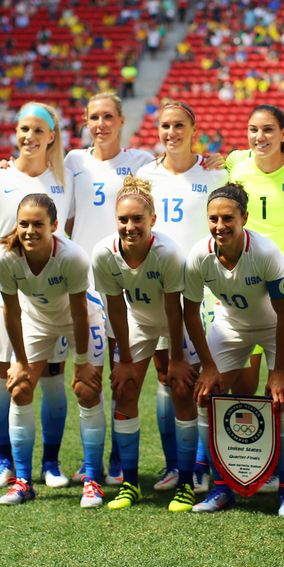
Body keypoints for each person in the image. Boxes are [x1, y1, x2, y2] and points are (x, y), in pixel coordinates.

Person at [182, 183, 284, 517]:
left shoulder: (265, 253)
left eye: (227, 218)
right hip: (230, 325)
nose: (219, 225)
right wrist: (207, 366)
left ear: (244, 218)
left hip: (276, 327)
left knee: (283, 400)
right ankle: (222, 489)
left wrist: (279, 372)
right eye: (213, 219)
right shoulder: (199, 255)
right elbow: (189, 312)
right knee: (206, 397)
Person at [0, 102, 76, 494]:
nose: (28, 136)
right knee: (1, 374)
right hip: (2, 293)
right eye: (22, 128)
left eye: (37, 129)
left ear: (52, 135)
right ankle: (5, 460)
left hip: (54, 297)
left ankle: (50, 461)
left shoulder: (69, 177)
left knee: (52, 376)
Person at [135, 99, 229, 493]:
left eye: (178, 125)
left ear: (194, 130)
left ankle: (205, 465)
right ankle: (175, 465)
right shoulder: (143, 176)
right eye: (164, 126)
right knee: (165, 377)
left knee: (203, 380)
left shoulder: (214, 172)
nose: (170, 133)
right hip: (158, 290)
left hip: (202, 291)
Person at [92, 175, 200, 512]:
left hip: (176, 322)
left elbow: (174, 308)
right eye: (123, 219)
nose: (129, 226)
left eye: (137, 219)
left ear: (153, 219)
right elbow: (115, 308)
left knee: (182, 389)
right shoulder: (104, 253)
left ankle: (186, 483)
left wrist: (178, 359)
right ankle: (130, 483)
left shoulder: (167, 253)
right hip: (137, 321)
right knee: (124, 390)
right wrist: (124, 358)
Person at [64, 92, 154, 486]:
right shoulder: (72, 161)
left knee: (124, 377)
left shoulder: (141, 162)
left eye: (107, 117)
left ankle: (119, 458)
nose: (100, 124)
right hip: (86, 288)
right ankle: (91, 462)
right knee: (88, 378)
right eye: (93, 118)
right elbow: (65, 219)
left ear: (121, 119)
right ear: (86, 122)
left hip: (127, 288)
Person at [0, 193, 106, 507]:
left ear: (54, 225)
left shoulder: (72, 256)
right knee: (19, 388)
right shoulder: (5, 257)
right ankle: (23, 482)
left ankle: (93, 480)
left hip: (80, 319)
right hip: (37, 321)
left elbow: (80, 312)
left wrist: (82, 362)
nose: (29, 231)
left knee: (87, 389)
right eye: (23, 224)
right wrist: (19, 361)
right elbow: (11, 312)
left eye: (38, 224)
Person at [223, 105, 284, 467]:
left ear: (282, 133)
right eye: (252, 129)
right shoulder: (235, 162)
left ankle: (278, 469)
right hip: (244, 293)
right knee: (243, 387)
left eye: (267, 129)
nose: (259, 136)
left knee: (281, 391)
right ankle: (247, 463)